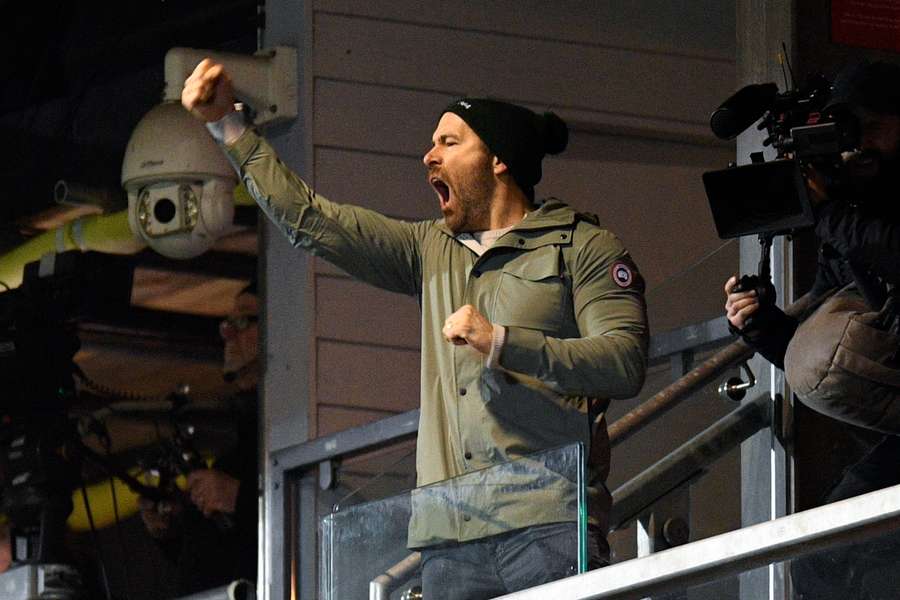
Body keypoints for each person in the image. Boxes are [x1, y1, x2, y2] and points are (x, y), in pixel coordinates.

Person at [182, 58, 648, 598]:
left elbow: (624, 360)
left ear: (498, 160)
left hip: (548, 524)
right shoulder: (428, 249)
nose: (429, 156)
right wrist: (228, 126)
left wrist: (502, 343)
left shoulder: (583, 246)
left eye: (449, 143)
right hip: (448, 537)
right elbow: (309, 220)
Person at [724, 60, 900, 599]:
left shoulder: (851, 218)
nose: (860, 146)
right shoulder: (852, 213)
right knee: (821, 561)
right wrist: (765, 328)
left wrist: (826, 217)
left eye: (875, 130)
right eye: (851, 132)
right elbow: (833, 357)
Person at [138, 281, 259, 596]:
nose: (228, 333)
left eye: (243, 321)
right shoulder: (244, 442)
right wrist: (171, 532)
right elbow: (220, 559)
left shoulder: (292, 426)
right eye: (227, 324)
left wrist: (239, 499)